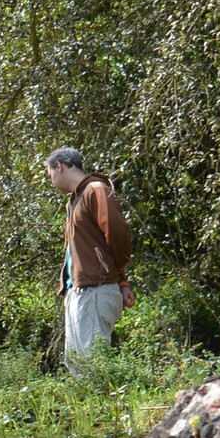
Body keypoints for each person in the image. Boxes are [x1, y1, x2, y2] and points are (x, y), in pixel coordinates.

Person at [47, 148, 134, 365]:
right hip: (78, 291)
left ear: (60, 166)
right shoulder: (74, 201)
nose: (51, 182)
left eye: (50, 175)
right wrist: (122, 282)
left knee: (93, 365)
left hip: (95, 290)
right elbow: (101, 248)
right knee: (77, 365)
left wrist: (114, 277)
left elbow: (118, 236)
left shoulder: (95, 190)